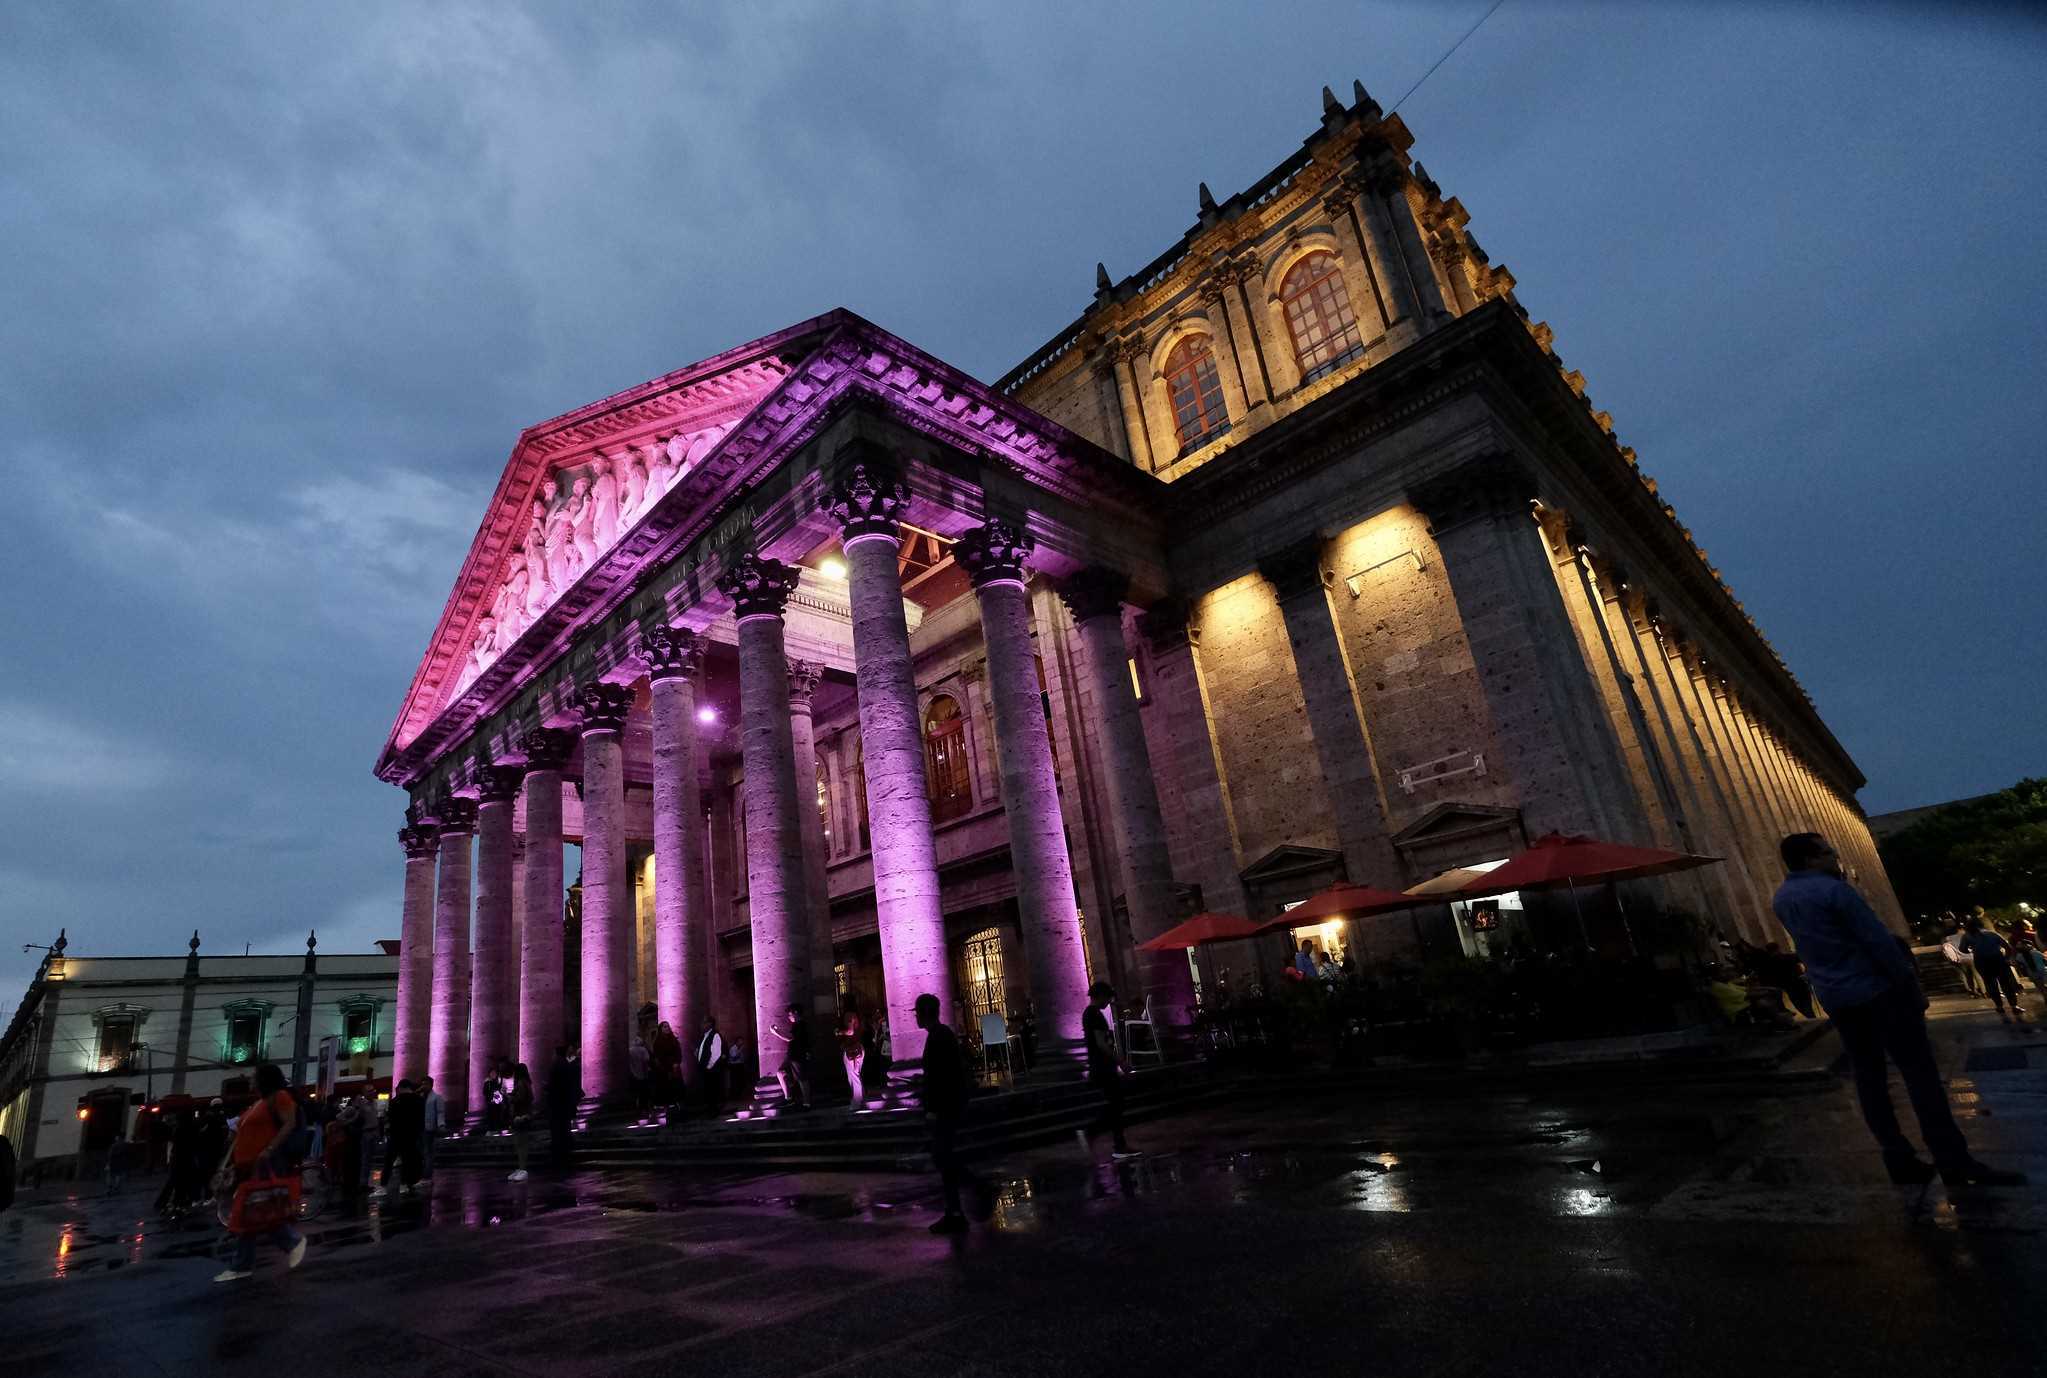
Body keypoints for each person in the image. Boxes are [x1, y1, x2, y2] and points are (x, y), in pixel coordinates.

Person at [1772, 832, 2020, 1187]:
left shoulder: (1782, 898)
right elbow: (1877, 942)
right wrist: (1909, 988)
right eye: (1828, 852)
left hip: (1838, 998)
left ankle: (1898, 1157)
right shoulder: (1834, 891)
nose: (1835, 857)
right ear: (1811, 859)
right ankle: (1953, 1159)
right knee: (1921, 1076)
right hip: (1878, 992)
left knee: (1869, 1079)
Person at [213, 1063, 307, 1283]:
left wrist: (269, 1149)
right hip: (248, 1166)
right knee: (257, 1213)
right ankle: (249, 1261)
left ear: (265, 1078)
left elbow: (289, 1124)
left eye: (254, 1076)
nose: (250, 1079)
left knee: (255, 1212)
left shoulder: (280, 1097)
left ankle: (245, 1263)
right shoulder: (259, 1103)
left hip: (264, 1165)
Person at [914, 993, 975, 1235]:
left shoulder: (940, 1036)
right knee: (944, 1158)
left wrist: (933, 1109)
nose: (916, 1017)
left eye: (917, 1012)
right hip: (948, 1106)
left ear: (924, 1012)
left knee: (943, 1157)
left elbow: (943, 1077)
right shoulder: (940, 1035)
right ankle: (954, 1211)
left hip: (945, 1109)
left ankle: (974, 1189)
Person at [1077, 981, 1138, 1161]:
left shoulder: (1092, 1014)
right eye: (1108, 997)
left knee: (1115, 1104)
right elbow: (1101, 1043)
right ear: (1101, 995)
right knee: (1116, 1104)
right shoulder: (1093, 1014)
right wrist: (1120, 1061)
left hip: (1102, 1066)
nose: (1109, 1001)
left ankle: (1113, 1141)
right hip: (1103, 1066)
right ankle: (1099, 1135)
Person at [1962, 914, 2027, 1025]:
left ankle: (1999, 1006)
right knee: (2006, 983)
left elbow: (1962, 949)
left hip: (1982, 962)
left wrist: (1971, 950)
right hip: (1998, 960)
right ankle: (2014, 1006)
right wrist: (2006, 958)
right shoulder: (1992, 934)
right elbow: (2007, 947)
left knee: (1990, 984)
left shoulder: (1967, 937)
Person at [381, 1080, 425, 1196]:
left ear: (400, 1088)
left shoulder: (395, 1101)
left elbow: (391, 1119)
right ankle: (405, 1184)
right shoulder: (419, 1100)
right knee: (408, 1160)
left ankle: (383, 1186)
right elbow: (421, 1118)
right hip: (411, 1134)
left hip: (396, 1135)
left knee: (389, 1161)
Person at [766, 1003, 812, 1110]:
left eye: (790, 1014)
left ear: (796, 1013)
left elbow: (790, 1037)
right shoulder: (796, 1025)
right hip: (792, 1055)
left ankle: (806, 1103)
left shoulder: (800, 1025)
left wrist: (776, 1032)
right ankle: (789, 1098)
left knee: (802, 1078)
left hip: (798, 1055)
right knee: (781, 1072)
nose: (788, 1016)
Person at [546, 1045, 580, 1171]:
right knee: (564, 1128)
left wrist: (547, 1088)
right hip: (565, 1103)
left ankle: (559, 1155)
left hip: (557, 1103)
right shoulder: (566, 1064)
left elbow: (553, 1085)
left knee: (558, 1130)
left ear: (556, 1053)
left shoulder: (556, 1065)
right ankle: (565, 1152)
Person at [507, 1063, 536, 1182]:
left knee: (521, 1144)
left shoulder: (521, 1083)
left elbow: (520, 1098)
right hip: (524, 1115)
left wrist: (510, 1098)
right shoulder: (526, 1083)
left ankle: (523, 1168)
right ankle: (520, 1168)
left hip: (521, 1116)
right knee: (520, 1143)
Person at [652, 1020, 683, 1125]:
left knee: (676, 1090)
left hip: (674, 1069)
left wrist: (677, 1063)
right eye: (664, 1027)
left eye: (668, 1026)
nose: (667, 1028)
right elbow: (657, 1057)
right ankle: (666, 1115)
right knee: (666, 1092)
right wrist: (666, 1066)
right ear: (660, 1029)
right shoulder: (657, 1042)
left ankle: (677, 1112)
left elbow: (678, 1053)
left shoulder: (674, 1040)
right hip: (664, 1071)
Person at [1942, 921, 1983, 999]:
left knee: (1967, 976)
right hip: (1971, 957)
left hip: (1960, 959)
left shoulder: (1948, 938)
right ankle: (1983, 991)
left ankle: (1973, 991)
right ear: (1961, 929)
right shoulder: (1968, 936)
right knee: (1977, 974)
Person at [838, 1006, 868, 1107]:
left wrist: (839, 1032)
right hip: (856, 1048)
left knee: (853, 1077)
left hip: (853, 1049)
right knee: (856, 1076)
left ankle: (858, 1102)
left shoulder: (850, 1015)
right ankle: (861, 1099)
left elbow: (850, 1031)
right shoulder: (857, 1016)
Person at [696, 1016, 726, 1111]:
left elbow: (716, 1052)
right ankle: (709, 1109)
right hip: (705, 1068)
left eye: (704, 1023)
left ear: (710, 1024)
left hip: (711, 1069)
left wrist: (709, 1066)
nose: (702, 1025)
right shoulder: (704, 1036)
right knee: (707, 1090)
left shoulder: (715, 1035)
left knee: (713, 1090)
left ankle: (714, 1110)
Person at [419, 1076, 445, 1182]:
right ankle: (423, 1172)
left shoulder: (436, 1097)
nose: (424, 1086)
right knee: (423, 1151)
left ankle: (427, 1174)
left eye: (426, 1084)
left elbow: (440, 1112)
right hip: (420, 1127)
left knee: (428, 1151)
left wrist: (441, 1125)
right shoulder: (420, 1097)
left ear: (431, 1085)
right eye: (423, 1084)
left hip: (430, 1128)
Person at [628, 1031, 653, 1122]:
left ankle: (637, 1111)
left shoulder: (630, 1051)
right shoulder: (643, 1050)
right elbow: (647, 1060)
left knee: (637, 1094)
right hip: (644, 1074)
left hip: (634, 1075)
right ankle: (646, 1110)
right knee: (645, 1093)